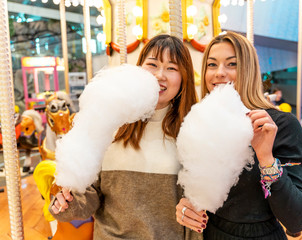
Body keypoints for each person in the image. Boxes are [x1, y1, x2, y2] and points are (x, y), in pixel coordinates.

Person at [49, 34, 202, 240]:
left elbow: (194, 211)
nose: (160, 75)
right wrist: (67, 203)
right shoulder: (110, 124)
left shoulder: (192, 133)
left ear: (184, 78)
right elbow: (90, 194)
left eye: (172, 68)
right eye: (152, 64)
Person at [176, 31, 302, 239]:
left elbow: (297, 219)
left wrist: (266, 158)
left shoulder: (280, 126)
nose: (219, 72)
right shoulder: (202, 123)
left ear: (249, 70)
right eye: (212, 65)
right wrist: (187, 207)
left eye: (232, 64)